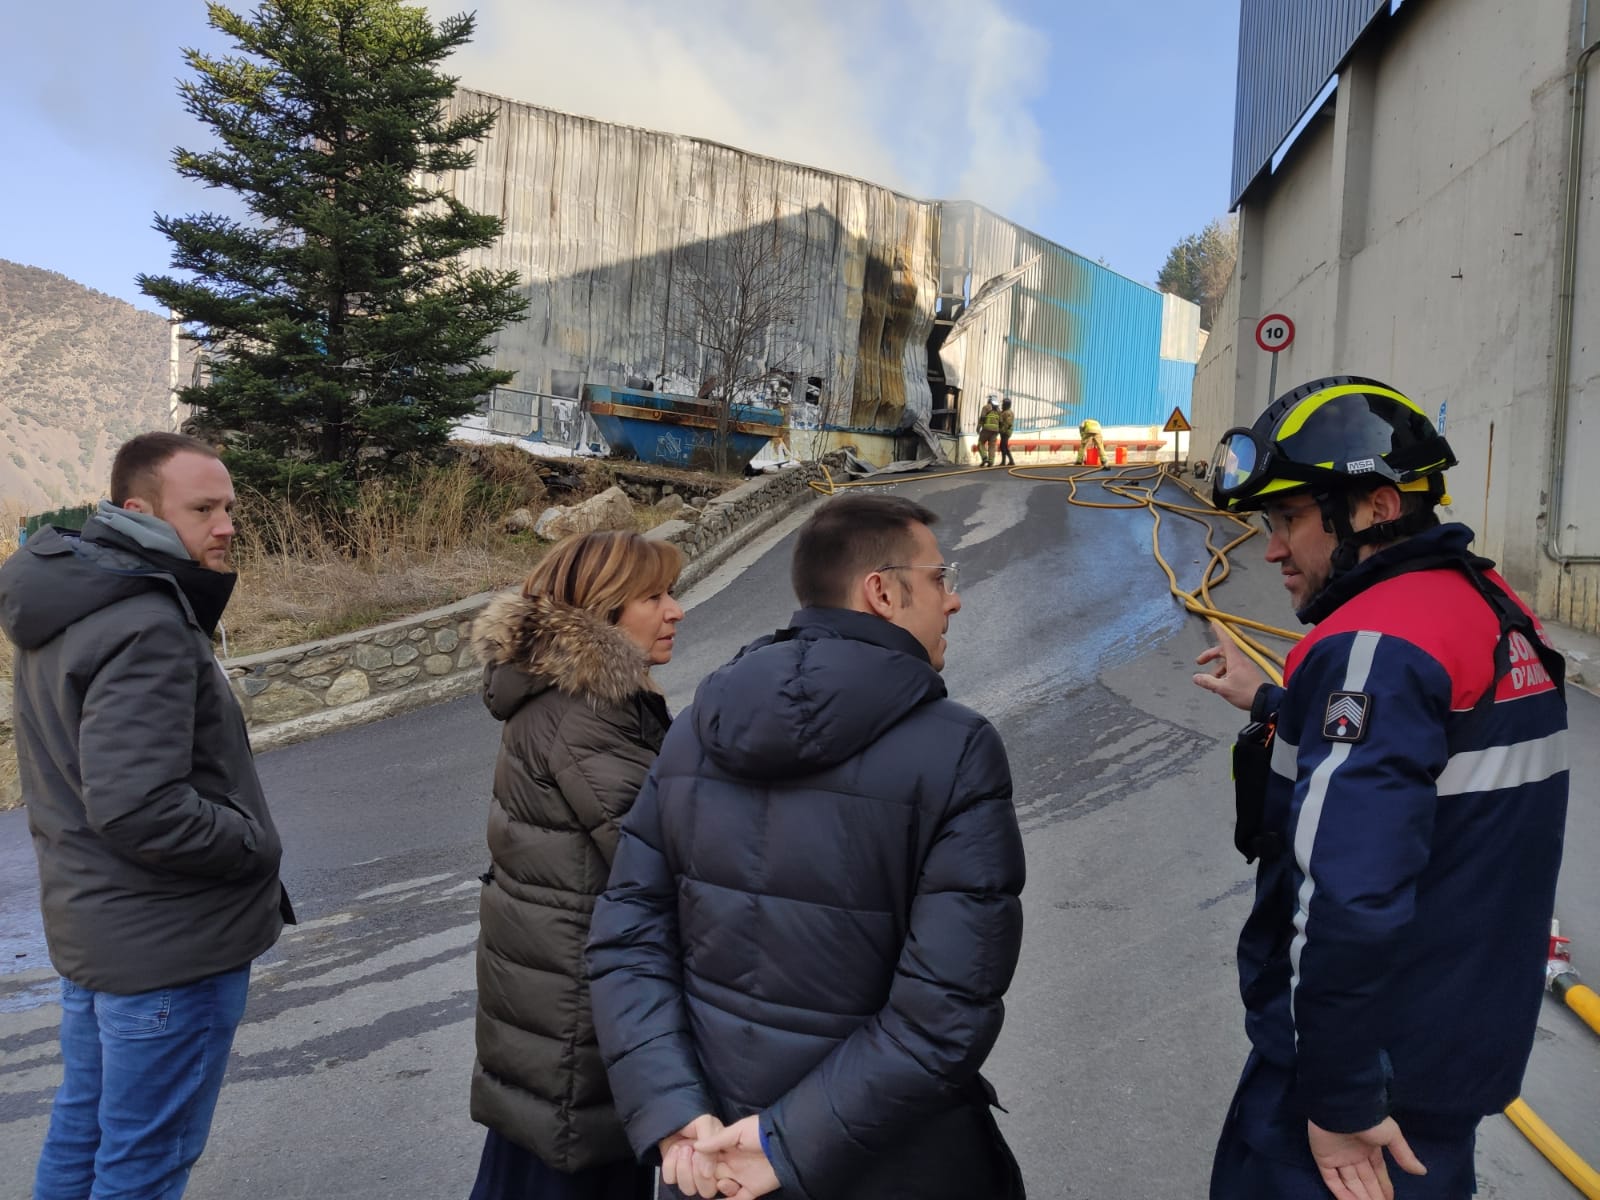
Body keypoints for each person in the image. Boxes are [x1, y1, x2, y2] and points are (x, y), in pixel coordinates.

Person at [587, 493, 1027, 1200]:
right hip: (890, 1164)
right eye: (941, 578)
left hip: (707, 1165)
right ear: (882, 592)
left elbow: (626, 937)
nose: (953, 600)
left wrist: (673, 1111)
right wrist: (782, 1142)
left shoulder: (696, 727)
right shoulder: (959, 749)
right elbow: (946, 1007)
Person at [1192, 377, 1568, 1200]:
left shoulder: (1373, 644)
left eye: (1289, 518)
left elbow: (1350, 897)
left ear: (1376, 508)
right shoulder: (1493, 609)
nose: (1272, 550)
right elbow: (1428, 767)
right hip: (1452, 1059)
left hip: (1363, 1094)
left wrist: (1338, 1098)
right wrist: (1273, 704)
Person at [0, 431, 293, 1200]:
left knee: (85, 1134)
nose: (226, 525)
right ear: (138, 511)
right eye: (203, 509)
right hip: (170, 950)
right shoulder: (145, 623)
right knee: (142, 1167)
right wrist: (253, 846)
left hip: (103, 933)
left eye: (229, 507)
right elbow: (139, 807)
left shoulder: (73, 600)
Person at [466, 529, 686, 1200]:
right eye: (654, 596)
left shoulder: (575, 702)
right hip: (579, 1027)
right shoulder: (584, 717)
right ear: (602, 611)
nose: (675, 610)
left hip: (554, 1016)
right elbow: (661, 857)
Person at [977, 397, 1003, 467]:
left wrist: (978, 427)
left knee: (980, 443)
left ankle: (984, 457)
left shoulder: (986, 407)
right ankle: (991, 461)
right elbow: (1001, 422)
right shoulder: (999, 410)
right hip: (995, 431)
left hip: (986, 429)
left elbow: (982, 418)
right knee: (992, 446)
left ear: (989, 401)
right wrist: (999, 430)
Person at [998, 398, 1017, 466]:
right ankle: (1010, 461)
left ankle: (1004, 462)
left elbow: (1008, 424)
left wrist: (1002, 430)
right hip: (1004, 431)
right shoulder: (1004, 412)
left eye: (1003, 404)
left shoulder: (1008, 413)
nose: (1002, 405)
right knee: (1004, 446)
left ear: (1006, 405)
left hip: (1006, 432)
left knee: (1003, 446)